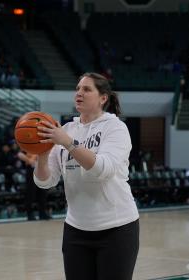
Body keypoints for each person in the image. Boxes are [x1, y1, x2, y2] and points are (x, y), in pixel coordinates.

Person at [34, 73, 139, 280]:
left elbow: (103, 169)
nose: (79, 93)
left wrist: (68, 143)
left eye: (87, 89)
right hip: (76, 229)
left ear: (103, 98)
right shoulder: (66, 130)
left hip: (116, 229)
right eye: (78, 89)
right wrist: (43, 156)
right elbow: (45, 181)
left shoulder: (116, 128)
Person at [18, 151, 50, 221]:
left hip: (41, 169)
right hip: (31, 169)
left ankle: (42, 213)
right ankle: (30, 214)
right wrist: (29, 160)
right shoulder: (27, 145)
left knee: (42, 192)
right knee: (31, 193)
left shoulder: (42, 145)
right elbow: (19, 154)